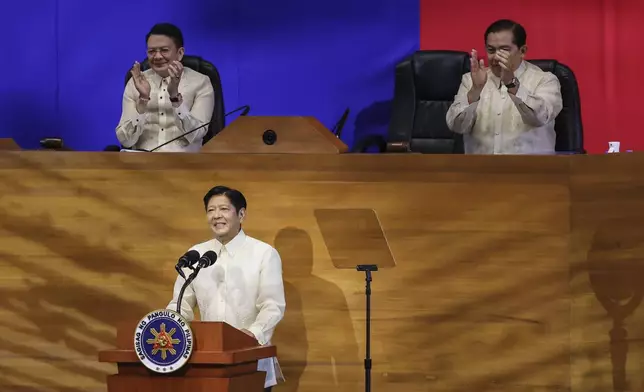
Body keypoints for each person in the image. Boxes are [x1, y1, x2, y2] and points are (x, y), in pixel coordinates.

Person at [167, 186, 286, 391]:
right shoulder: (197, 254)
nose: (216, 216)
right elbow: (181, 303)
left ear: (241, 214)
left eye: (223, 209)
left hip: (251, 363)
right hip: (205, 365)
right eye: (211, 210)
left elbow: (272, 305)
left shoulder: (264, 253)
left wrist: (250, 335)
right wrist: (168, 327)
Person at [446, 19, 563, 154]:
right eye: (491, 50)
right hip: (480, 171)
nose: (496, 57)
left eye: (504, 50)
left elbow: (540, 117)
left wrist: (511, 84)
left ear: (522, 51)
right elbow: (456, 126)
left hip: (531, 171)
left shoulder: (545, 80)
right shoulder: (471, 79)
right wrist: (475, 91)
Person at [116, 23, 214, 152]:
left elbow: (196, 135)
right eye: (151, 51)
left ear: (180, 53)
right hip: (142, 163)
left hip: (184, 165)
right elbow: (126, 141)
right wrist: (143, 100)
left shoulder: (201, 82)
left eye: (164, 50)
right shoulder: (136, 81)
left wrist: (174, 97)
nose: (157, 57)